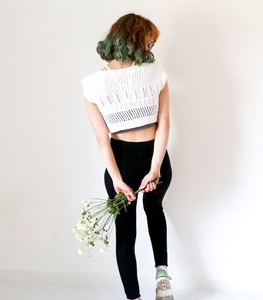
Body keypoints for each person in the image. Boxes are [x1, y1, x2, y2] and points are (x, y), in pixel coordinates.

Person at [81, 13, 174, 300]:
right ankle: (162, 276)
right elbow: (164, 125)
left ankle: (134, 297)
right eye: (150, 42)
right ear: (137, 39)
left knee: (125, 231)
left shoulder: (92, 84)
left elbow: (102, 139)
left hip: (120, 160)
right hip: (154, 155)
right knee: (154, 210)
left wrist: (118, 179)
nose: (151, 48)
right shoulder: (156, 72)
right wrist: (155, 166)